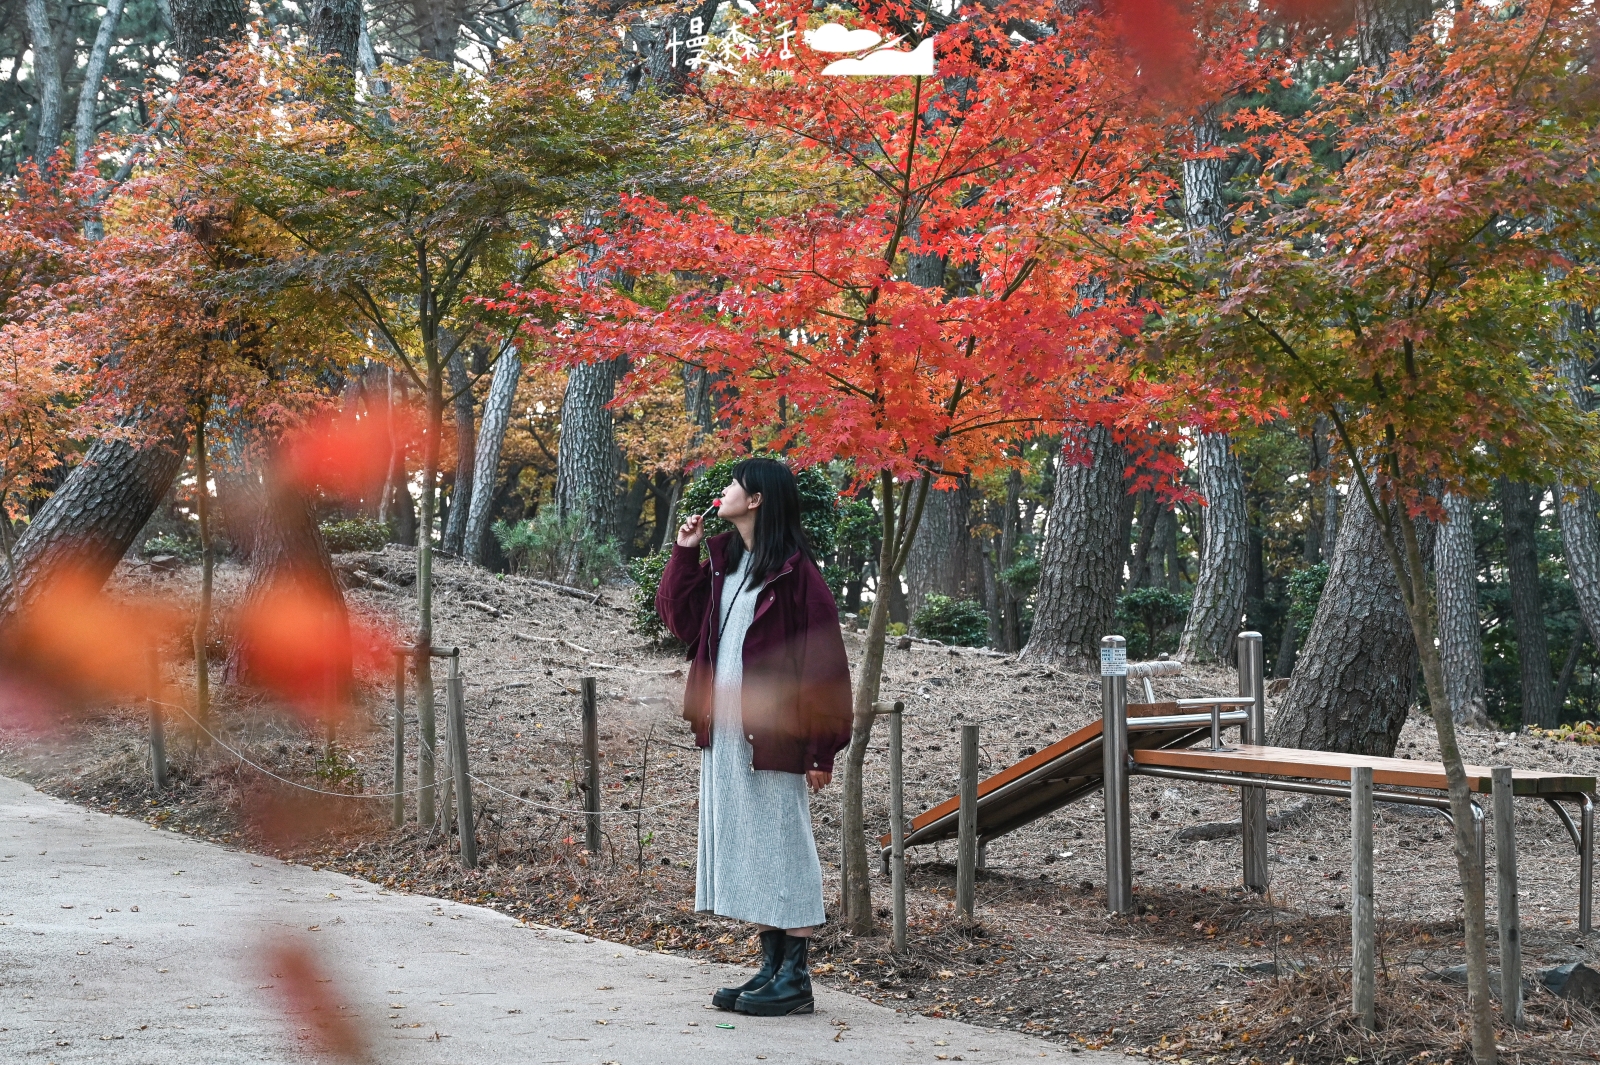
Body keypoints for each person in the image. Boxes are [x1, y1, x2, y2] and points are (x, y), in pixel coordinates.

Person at [655, 458, 853, 1017]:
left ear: (758, 499)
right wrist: (685, 552)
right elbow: (681, 621)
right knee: (753, 848)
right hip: (726, 733)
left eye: (733, 483)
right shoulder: (727, 563)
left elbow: (825, 666)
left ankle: (796, 978)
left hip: (777, 737)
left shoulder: (795, 574)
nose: (724, 491)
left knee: (782, 846)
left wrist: (821, 747)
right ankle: (771, 967)